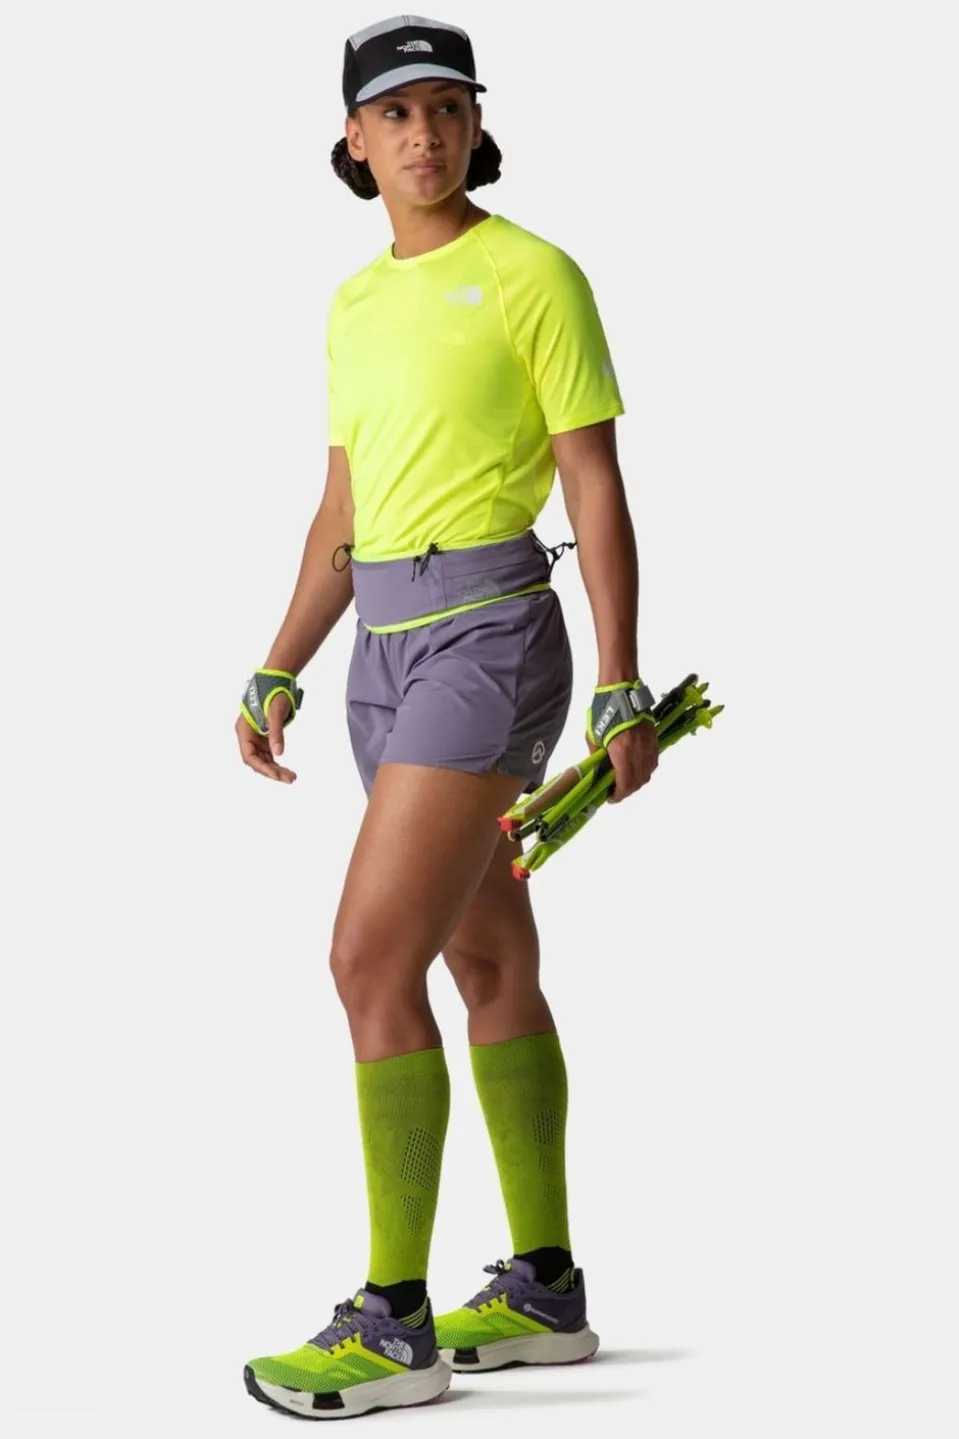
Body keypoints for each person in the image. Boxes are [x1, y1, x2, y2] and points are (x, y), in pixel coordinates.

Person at [236, 14, 659, 1421]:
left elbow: (593, 482)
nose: (425, 135)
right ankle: (543, 1289)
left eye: (447, 109)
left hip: (489, 635)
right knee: (484, 954)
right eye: (396, 114)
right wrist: (279, 664)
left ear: (477, 125)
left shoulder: (534, 273)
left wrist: (620, 676)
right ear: (354, 142)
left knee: (369, 958)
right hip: (380, 651)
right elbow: (343, 510)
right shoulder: (355, 304)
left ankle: (394, 1319)